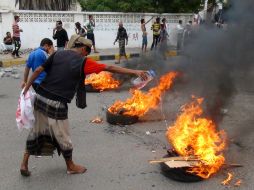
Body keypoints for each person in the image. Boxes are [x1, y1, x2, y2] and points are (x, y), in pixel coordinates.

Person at [20, 34, 148, 177]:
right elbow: (110, 67)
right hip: (56, 102)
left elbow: (37, 70)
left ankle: (24, 164)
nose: (87, 54)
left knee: (36, 131)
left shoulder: (57, 54)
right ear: (82, 48)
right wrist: (134, 71)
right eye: (87, 51)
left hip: (41, 97)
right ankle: (70, 166)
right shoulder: (83, 62)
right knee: (63, 136)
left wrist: (26, 88)